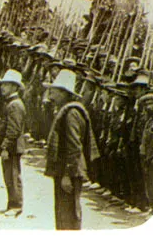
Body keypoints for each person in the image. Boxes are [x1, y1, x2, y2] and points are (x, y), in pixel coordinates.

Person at [43, 69, 99, 230]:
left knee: (69, 213)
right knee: (63, 212)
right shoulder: (65, 110)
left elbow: (74, 147)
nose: (51, 93)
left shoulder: (72, 114)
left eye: (54, 90)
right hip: (65, 169)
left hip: (69, 171)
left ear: (64, 93)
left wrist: (67, 175)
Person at [0, 69, 27, 217]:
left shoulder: (15, 105)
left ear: (14, 87)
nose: (2, 88)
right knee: (8, 176)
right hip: (10, 146)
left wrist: (5, 146)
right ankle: (12, 203)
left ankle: (16, 205)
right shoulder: (11, 103)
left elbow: (13, 130)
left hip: (12, 147)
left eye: (5, 85)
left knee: (13, 176)